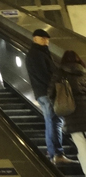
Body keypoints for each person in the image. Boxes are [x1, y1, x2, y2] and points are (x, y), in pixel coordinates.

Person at [27, 28, 75, 165]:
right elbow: (44, 75)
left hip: (43, 93)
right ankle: (57, 154)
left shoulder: (40, 53)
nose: (46, 41)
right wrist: (53, 89)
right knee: (54, 122)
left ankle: (54, 153)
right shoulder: (36, 54)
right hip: (47, 93)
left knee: (52, 121)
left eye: (47, 39)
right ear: (35, 38)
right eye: (43, 38)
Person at [51, 50, 86, 174]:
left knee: (81, 146)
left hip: (72, 113)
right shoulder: (83, 71)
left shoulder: (60, 72)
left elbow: (51, 92)